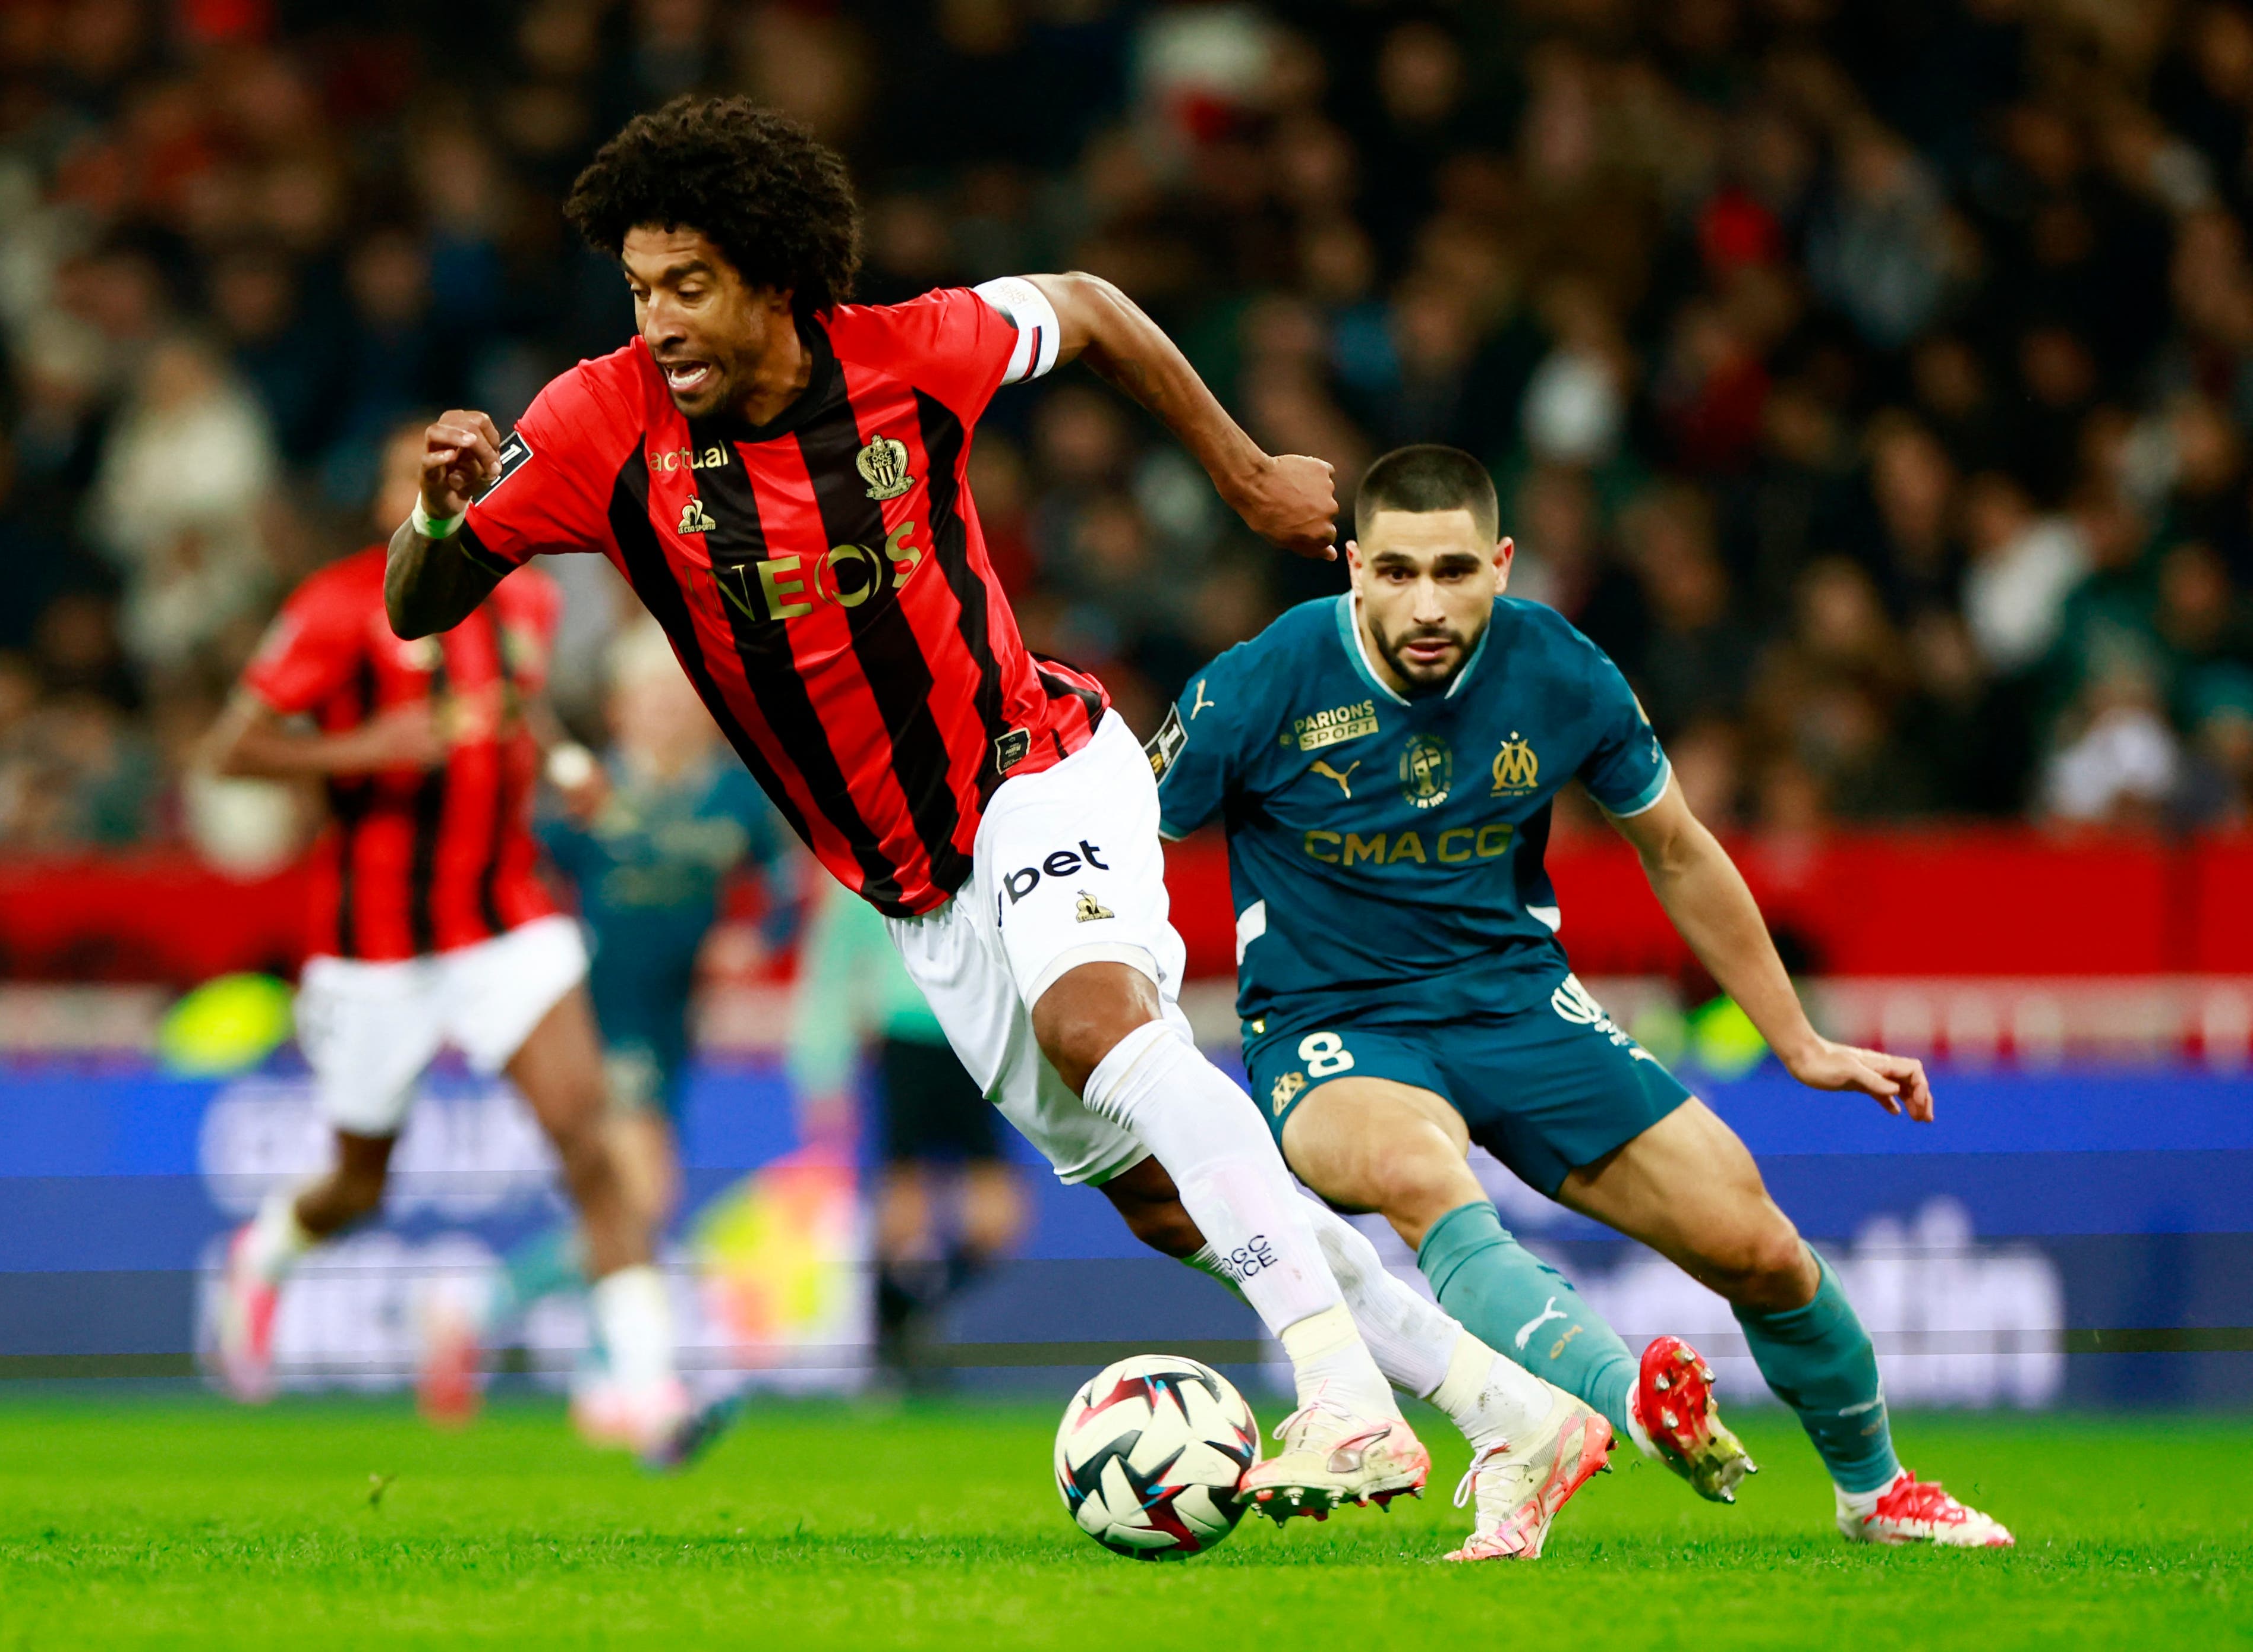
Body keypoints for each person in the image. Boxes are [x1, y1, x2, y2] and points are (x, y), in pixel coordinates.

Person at [382, 94, 1608, 1549]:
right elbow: (418, 609)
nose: (657, 321)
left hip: (1038, 764)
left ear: (774, 273)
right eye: (640, 289)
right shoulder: (600, 424)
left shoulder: (911, 356)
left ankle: (1338, 1394)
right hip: (915, 892)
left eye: (688, 285)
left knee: (1100, 1017)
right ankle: (1511, 1411)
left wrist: (1238, 469)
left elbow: (1086, 307)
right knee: (1161, 1204)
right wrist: (438, 518)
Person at [1152, 443, 2015, 1549]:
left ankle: (1875, 1493)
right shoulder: (1256, 684)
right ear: (1353, 568)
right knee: (1423, 1178)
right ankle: (1615, 1412)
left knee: (1755, 1245)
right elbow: (1121, 845)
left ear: (1502, 565)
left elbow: (1677, 849)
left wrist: (1796, 1040)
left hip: (1517, 1004)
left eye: (1455, 571)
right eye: (1400, 571)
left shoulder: (1558, 671)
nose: (1427, 602)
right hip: (1333, 1028)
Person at [200, 420, 717, 1470]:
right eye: (412, 477)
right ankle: (266, 1254)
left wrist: (565, 760)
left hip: (505, 926)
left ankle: (651, 1391)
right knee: (357, 1187)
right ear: (393, 497)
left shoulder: (520, 592)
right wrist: (362, 749)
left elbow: (516, 713)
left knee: (593, 1143)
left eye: (455, 474)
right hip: (373, 948)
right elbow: (230, 750)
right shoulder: (338, 607)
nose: (436, 489)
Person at [419, 616, 796, 1433]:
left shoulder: (735, 792)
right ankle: (608, 1380)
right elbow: (510, 864)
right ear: (621, 709)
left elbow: (784, 887)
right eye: (647, 698)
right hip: (599, 1005)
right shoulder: (590, 795)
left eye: (677, 696)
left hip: (672, 1019)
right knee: (640, 1193)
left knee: (632, 1203)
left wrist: (750, 940)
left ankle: (478, 1315)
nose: (664, 712)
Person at [787, 869, 1025, 1386]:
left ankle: (913, 1317)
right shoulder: (865, 859)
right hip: (906, 1038)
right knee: (904, 1214)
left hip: (981, 1040)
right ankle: (893, 1341)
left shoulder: (984, 846)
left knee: (997, 1220)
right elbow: (831, 969)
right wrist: (823, 1070)